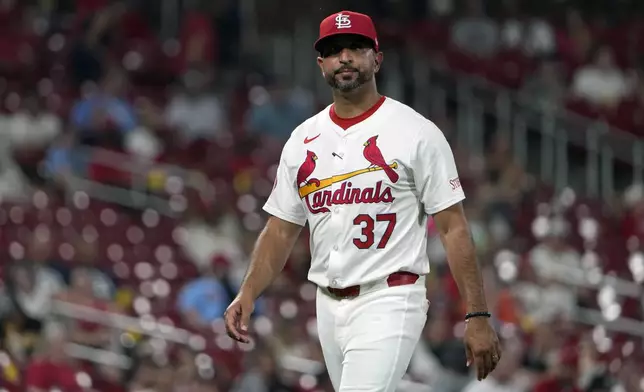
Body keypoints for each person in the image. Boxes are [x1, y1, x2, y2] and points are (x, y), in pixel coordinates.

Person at [224, 10, 501, 391]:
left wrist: (478, 314)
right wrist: (248, 292)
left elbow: (453, 228)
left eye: (356, 47)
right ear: (321, 63)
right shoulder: (303, 139)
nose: (345, 58)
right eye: (334, 50)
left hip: (390, 296)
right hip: (327, 303)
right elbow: (281, 228)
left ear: (377, 58)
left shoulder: (416, 132)